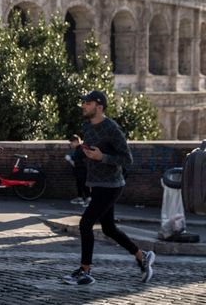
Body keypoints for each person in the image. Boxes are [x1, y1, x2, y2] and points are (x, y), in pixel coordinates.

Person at [62, 90, 155, 286]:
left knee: (85, 224)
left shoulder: (112, 129)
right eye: (83, 103)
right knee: (109, 228)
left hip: (112, 185)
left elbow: (127, 159)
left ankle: (85, 271)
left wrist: (102, 157)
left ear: (99, 106)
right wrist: (83, 152)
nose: (83, 106)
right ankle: (142, 256)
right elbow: (91, 148)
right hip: (96, 184)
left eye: (87, 103)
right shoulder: (86, 126)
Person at [65, 134, 91, 206]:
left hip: (82, 170)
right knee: (79, 184)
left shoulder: (81, 149)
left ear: (76, 141)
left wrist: (70, 160)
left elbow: (79, 162)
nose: (71, 144)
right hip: (79, 170)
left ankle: (88, 199)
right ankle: (80, 198)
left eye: (72, 142)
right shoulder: (78, 149)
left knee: (84, 184)